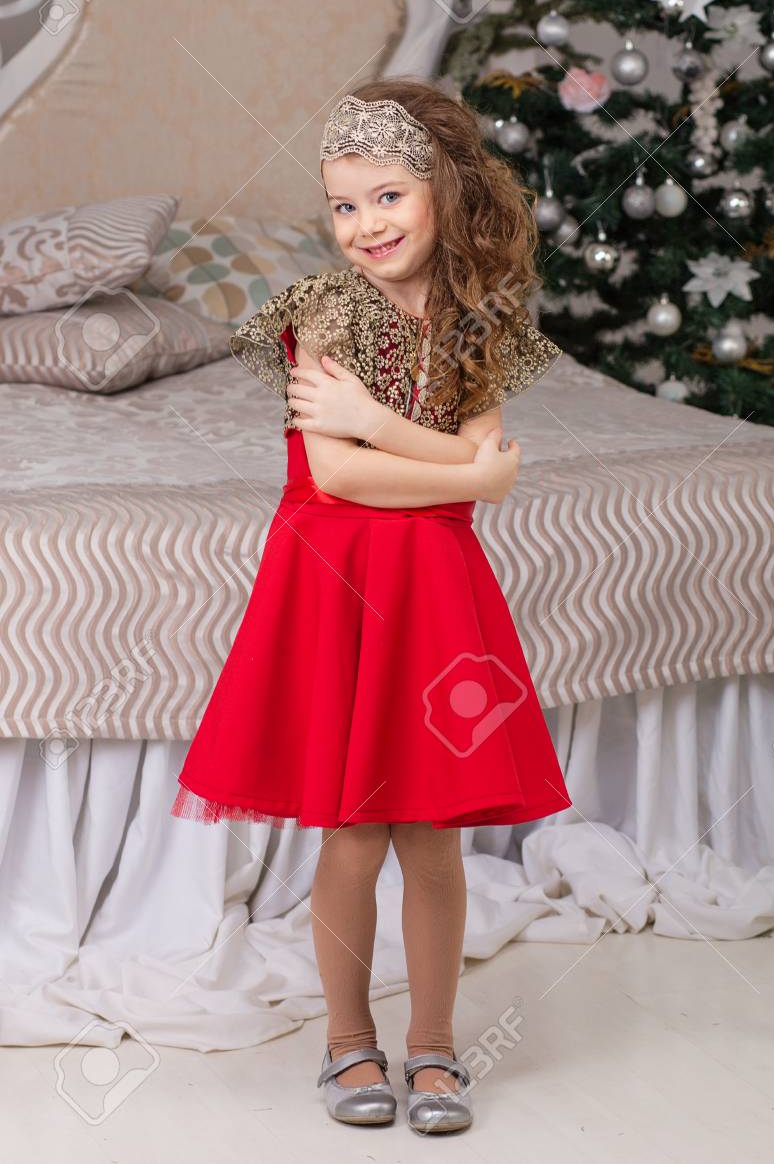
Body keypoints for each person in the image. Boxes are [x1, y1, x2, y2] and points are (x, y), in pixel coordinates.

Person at [170, 78, 573, 1135]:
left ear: (443, 190)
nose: (365, 225)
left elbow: (473, 465)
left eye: (387, 197)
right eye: (343, 206)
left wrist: (393, 433)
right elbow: (340, 476)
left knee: (431, 834)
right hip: (335, 584)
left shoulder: (482, 319)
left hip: (436, 590)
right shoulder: (323, 312)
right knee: (352, 832)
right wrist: (459, 470)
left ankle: (434, 1044)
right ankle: (347, 1038)